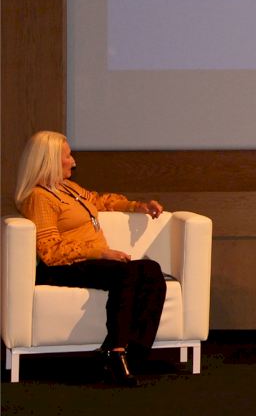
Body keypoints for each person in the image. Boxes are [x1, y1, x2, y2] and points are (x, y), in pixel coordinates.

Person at [13, 131, 166, 386]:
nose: (73, 162)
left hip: (89, 263)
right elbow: (50, 250)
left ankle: (131, 352)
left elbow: (100, 201)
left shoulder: (68, 188)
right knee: (125, 272)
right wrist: (100, 252)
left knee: (151, 270)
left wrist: (136, 206)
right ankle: (116, 352)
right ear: (50, 160)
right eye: (67, 156)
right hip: (62, 267)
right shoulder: (39, 198)